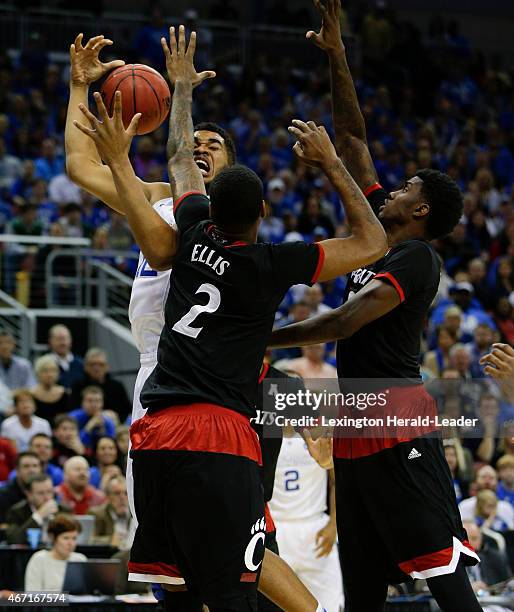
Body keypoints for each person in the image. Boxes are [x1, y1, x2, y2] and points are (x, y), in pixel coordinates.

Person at [73, 24, 386, 611]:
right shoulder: (268, 261)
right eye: (201, 147)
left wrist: (178, 94)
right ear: (262, 210)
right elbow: (369, 241)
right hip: (219, 421)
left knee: (190, 568)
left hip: (171, 416)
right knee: (226, 574)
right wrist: (334, 164)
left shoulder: (188, 230)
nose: (200, 152)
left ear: (214, 199)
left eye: (213, 148)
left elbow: (176, 160)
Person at [269, 2, 481, 610]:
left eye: (408, 186)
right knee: (360, 576)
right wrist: (337, 57)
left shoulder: (416, 260)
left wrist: (260, 338)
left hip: (397, 414)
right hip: (359, 413)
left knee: (439, 570)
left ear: (420, 212)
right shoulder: (378, 233)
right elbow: (355, 137)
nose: (396, 187)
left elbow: (344, 320)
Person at [269, 432, 344, 612]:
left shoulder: (318, 431)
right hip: (276, 529)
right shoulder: (265, 433)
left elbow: (338, 477)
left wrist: (334, 524)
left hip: (316, 527)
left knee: (330, 605)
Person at [24, 514, 87, 592]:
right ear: (52, 537)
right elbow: (32, 595)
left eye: (74, 538)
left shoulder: (80, 560)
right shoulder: (39, 559)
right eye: (66, 538)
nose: (71, 543)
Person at [6, 473, 69, 544]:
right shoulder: (17, 512)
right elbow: (14, 539)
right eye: (41, 493)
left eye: (49, 492)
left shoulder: (63, 510)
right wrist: (38, 516)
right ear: (29, 494)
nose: (46, 497)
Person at [71, 348, 131, 421]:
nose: (96, 368)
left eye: (101, 364)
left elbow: (127, 411)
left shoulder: (117, 386)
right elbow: (72, 412)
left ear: (107, 366)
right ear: (85, 366)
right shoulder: (77, 386)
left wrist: (114, 416)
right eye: (92, 364)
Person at [464, 521, 512, 594]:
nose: (470, 543)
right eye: (467, 539)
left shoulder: (494, 557)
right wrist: (468, 588)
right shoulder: (452, 562)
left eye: (475, 538)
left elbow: (508, 582)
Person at [88, 475, 132, 549]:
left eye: (126, 493)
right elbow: (89, 540)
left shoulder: (136, 514)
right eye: (117, 493)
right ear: (108, 496)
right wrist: (110, 540)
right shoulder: (97, 514)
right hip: (109, 555)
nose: (122, 498)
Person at [0, 451, 42, 522]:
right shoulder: (3, 495)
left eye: (35, 466)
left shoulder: (48, 491)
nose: (32, 470)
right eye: (26, 466)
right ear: (17, 470)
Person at [31, 354, 71, 425]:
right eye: (45, 371)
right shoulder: (31, 395)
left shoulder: (65, 394)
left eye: (53, 370)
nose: (50, 374)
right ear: (38, 373)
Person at [46, 324, 84, 389]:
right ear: (50, 341)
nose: (62, 343)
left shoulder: (81, 364)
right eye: (59, 339)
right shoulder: (45, 364)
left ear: (71, 340)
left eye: (65, 338)